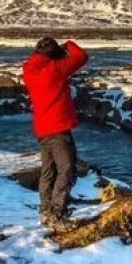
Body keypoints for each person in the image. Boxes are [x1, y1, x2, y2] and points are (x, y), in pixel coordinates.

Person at [22, 37, 89, 229]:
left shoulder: (29, 70)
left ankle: (46, 210)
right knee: (66, 170)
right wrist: (68, 44)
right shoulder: (54, 69)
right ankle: (57, 213)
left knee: (48, 170)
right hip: (58, 128)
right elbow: (81, 56)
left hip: (42, 129)